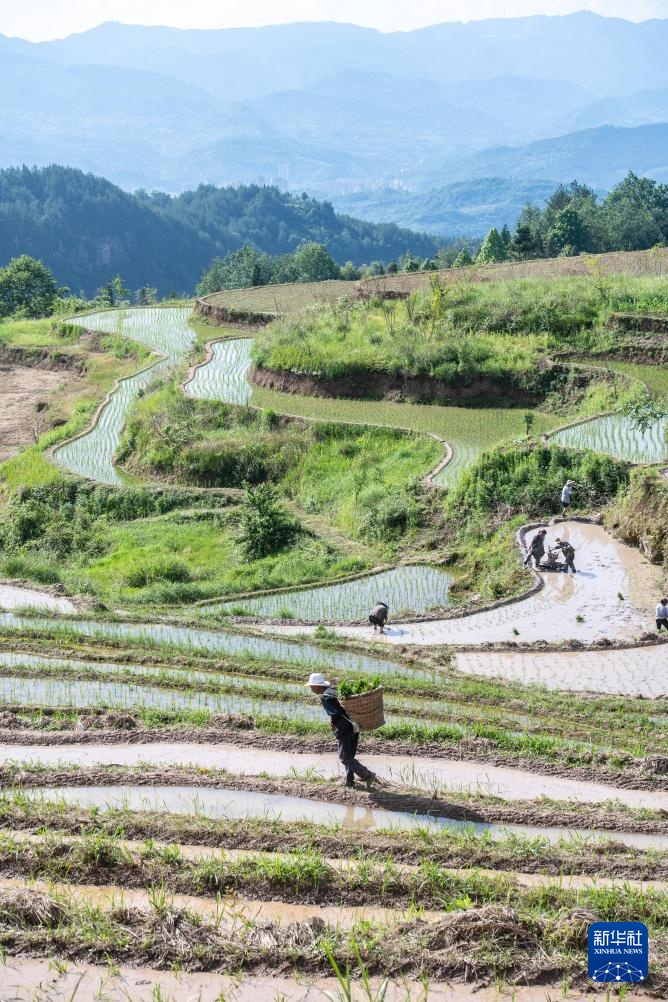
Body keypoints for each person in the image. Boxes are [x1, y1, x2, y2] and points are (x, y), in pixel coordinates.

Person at [305, 672, 379, 788]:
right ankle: (349, 781)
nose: (310, 688)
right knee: (349, 755)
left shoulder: (326, 698)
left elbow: (336, 714)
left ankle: (367, 775)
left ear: (317, 686)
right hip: (355, 725)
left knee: (344, 756)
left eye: (311, 686)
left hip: (345, 728)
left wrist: (333, 724)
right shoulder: (335, 690)